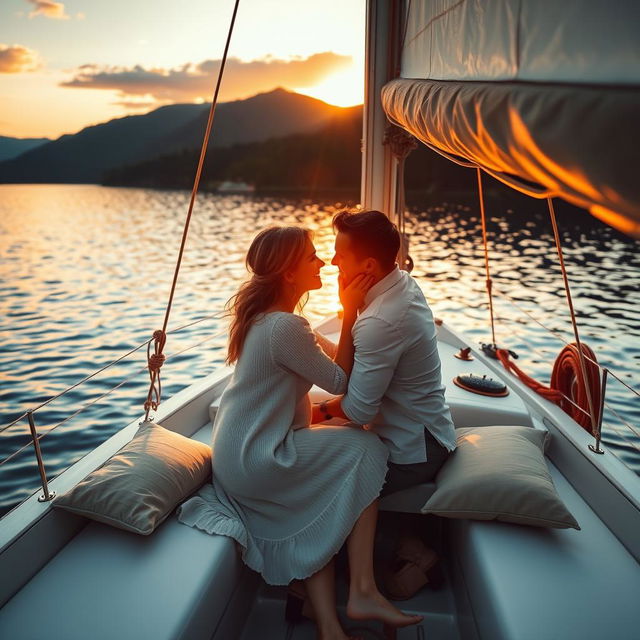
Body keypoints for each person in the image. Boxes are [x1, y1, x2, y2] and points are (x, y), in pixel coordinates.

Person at [178, 226, 422, 640]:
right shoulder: (284, 328)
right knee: (366, 447)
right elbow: (341, 378)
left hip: (239, 453)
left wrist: (369, 324)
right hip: (257, 458)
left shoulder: (275, 322)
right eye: (312, 256)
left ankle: (329, 626)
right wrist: (348, 310)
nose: (324, 262)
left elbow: (340, 358)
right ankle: (362, 589)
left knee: (320, 496)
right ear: (289, 273)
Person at [311, 210, 457, 587]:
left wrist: (311, 413)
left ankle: (405, 559)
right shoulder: (399, 283)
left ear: (369, 265)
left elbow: (358, 410)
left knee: (314, 479)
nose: (332, 261)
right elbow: (359, 364)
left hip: (414, 449)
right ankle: (400, 546)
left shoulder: (381, 320)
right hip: (420, 430)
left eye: (340, 253)